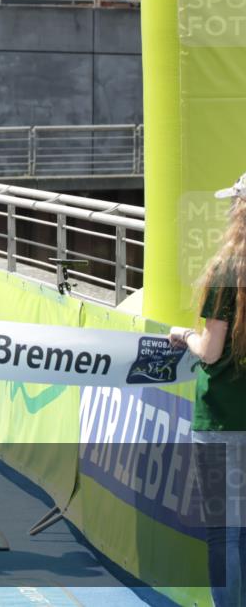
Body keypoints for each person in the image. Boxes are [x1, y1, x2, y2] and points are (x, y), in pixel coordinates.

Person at [169, 171, 246, 607]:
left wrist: (184, 335)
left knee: (224, 534)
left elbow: (211, 351)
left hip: (220, 418)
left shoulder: (227, 270)